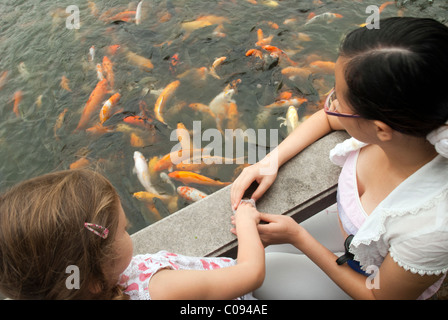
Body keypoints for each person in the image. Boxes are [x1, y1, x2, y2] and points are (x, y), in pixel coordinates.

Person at [230, 17, 448, 300]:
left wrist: (299, 237)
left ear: (380, 129)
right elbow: (331, 120)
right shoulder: (410, 127)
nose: (331, 103)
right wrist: (270, 161)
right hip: (347, 229)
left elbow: (378, 296)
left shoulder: (432, 226)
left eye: (339, 97)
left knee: (258, 273)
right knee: (254, 248)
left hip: (371, 279)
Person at [0, 169, 264, 300]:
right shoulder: (159, 289)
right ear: (93, 280)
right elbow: (251, 274)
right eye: (125, 230)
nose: (129, 233)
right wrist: (246, 221)